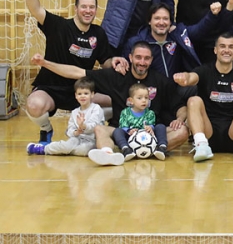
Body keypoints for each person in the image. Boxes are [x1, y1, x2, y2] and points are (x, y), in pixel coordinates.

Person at [30, 40, 186, 166]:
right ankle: (109, 154)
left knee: (183, 132)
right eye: (138, 57)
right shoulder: (116, 76)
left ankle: (142, 149)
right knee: (99, 129)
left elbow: (180, 106)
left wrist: (179, 119)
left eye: (146, 58)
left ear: (151, 60)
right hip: (121, 132)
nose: (142, 62)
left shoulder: (160, 80)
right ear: (130, 58)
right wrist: (45, 63)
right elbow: (77, 72)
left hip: (150, 133)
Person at [22, 0, 116, 145]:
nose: (88, 11)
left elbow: (106, 62)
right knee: (35, 105)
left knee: (118, 100)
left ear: (96, 9)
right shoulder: (59, 26)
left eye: (92, 7)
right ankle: (46, 129)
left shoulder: (98, 33)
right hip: (51, 88)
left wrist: (116, 62)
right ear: (75, 8)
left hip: (82, 90)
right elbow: (36, 9)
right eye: (84, 7)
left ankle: (96, 131)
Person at [173, 32, 233, 163]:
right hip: (208, 133)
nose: (226, 50)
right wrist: (184, 78)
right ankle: (201, 145)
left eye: (231, 47)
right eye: (222, 46)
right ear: (215, 50)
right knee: (193, 100)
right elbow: (191, 77)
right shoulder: (205, 70)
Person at [123, 3, 220, 76]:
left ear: (170, 22)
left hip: (174, 88)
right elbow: (124, 63)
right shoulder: (136, 42)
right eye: (157, 18)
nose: (161, 22)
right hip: (147, 90)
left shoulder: (178, 35)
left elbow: (199, 30)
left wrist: (212, 15)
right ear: (149, 21)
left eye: (165, 19)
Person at [27, 78, 104, 156]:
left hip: (91, 140)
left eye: (86, 93)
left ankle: (66, 150)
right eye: (80, 94)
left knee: (83, 150)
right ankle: (43, 149)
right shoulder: (75, 112)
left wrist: (83, 126)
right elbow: (69, 130)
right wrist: (75, 132)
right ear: (76, 96)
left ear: (92, 94)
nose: (82, 96)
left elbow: (95, 126)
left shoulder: (96, 109)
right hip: (77, 139)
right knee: (66, 145)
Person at [111, 83, 168, 161]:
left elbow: (152, 124)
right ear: (131, 101)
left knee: (161, 126)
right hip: (131, 137)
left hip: (146, 137)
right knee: (117, 131)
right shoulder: (125, 112)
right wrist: (129, 131)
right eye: (139, 98)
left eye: (146, 98)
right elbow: (123, 126)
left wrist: (150, 127)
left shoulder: (150, 113)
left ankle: (161, 148)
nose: (144, 100)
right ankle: (126, 149)